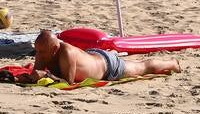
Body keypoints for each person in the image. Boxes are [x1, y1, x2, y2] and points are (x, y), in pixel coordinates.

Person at [23, 28, 179, 84]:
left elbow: (67, 82)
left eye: (42, 52)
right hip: (93, 56)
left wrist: (46, 74)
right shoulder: (43, 51)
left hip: (107, 67)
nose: (39, 55)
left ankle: (172, 63)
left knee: (143, 67)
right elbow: (35, 75)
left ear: (55, 49)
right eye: (38, 50)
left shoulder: (67, 53)